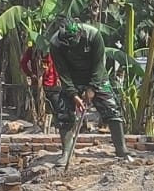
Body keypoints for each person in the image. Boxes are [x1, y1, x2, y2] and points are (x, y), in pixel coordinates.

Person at [49, 18, 130, 165]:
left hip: (96, 76)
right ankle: (66, 153)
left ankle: (121, 150)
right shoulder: (55, 44)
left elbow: (99, 64)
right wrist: (73, 95)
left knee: (111, 109)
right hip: (72, 78)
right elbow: (63, 72)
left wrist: (92, 88)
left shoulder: (93, 35)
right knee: (63, 113)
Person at [19, 42, 61, 129]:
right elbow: (23, 63)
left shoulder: (52, 48)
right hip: (39, 83)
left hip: (51, 83)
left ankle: (53, 125)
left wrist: (57, 77)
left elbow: (58, 64)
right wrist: (30, 74)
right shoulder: (32, 50)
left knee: (55, 106)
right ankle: (40, 124)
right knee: (40, 105)